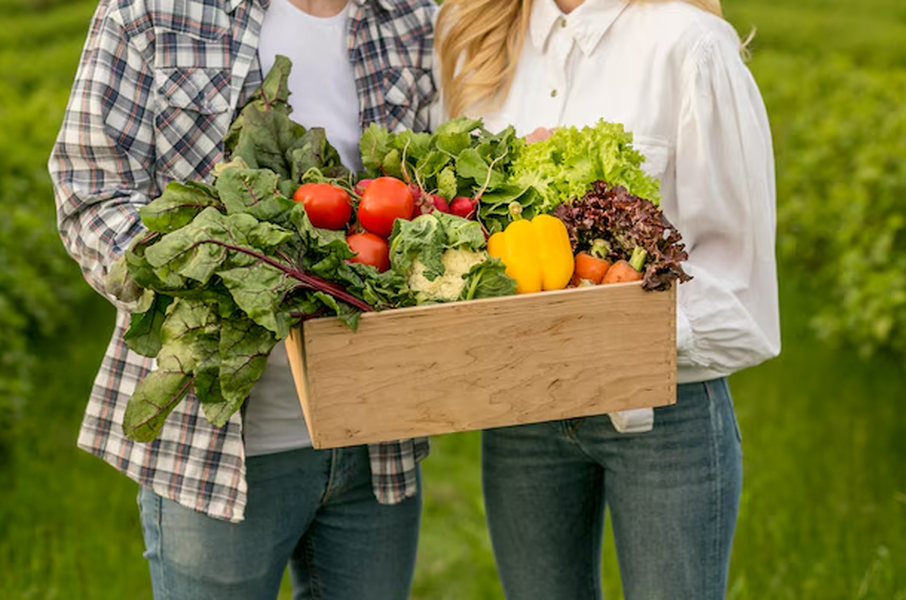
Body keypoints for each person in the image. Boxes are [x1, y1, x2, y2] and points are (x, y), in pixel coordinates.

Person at [48, 0, 437, 598]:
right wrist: (216, 277)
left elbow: (432, 193)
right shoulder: (150, 11)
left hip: (373, 436)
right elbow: (89, 193)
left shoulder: (409, 16)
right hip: (214, 445)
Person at [434, 0, 780, 598]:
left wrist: (602, 328)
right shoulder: (478, 41)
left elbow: (740, 281)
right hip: (524, 412)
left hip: (664, 410)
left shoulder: (689, 45)